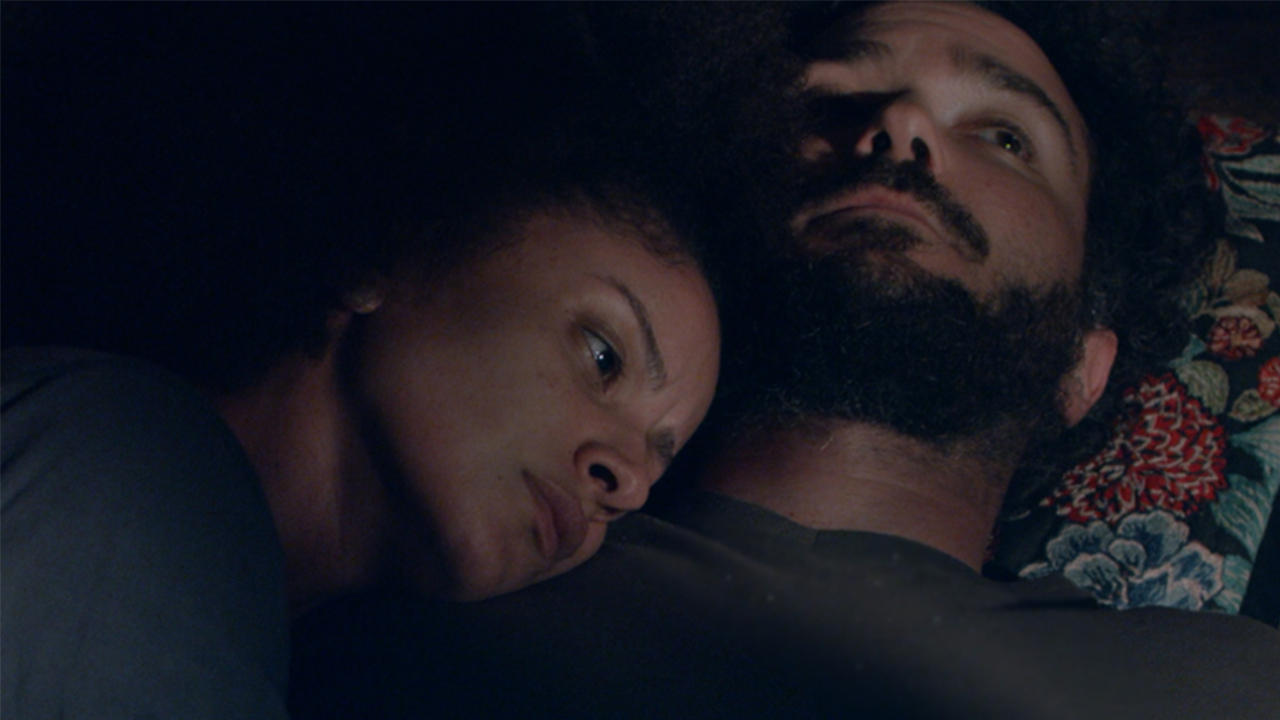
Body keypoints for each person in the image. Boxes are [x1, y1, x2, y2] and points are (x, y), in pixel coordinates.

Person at [287, 3, 1280, 718]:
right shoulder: (448, 505)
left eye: (1004, 136)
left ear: (1080, 366)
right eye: (831, 98)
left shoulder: (1227, 689)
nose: (900, 124)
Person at [1, 5, 798, 718]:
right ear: (390, 245)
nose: (627, 485)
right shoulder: (114, 473)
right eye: (603, 355)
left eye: (659, 458)